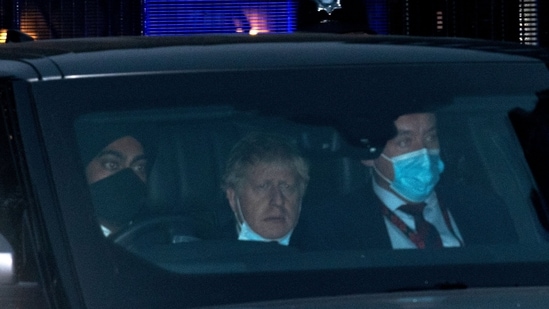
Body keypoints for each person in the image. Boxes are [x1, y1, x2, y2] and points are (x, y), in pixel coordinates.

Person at [293, 112, 518, 250]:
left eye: (430, 137)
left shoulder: (486, 209)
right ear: (369, 154)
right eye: (405, 142)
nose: (423, 153)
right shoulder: (329, 227)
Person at [221, 132, 309, 245]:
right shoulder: (208, 254)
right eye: (263, 186)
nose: (278, 200)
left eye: (286, 186)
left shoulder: (326, 253)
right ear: (233, 198)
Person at [79, 124, 149, 237]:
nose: (128, 177)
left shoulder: (162, 239)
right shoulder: (65, 240)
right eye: (112, 164)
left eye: (139, 167)